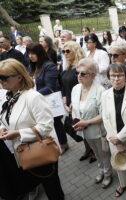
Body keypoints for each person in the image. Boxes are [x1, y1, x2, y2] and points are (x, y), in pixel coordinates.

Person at [0, 58, 65, 200]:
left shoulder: (33, 97)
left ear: (19, 77)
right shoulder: (9, 97)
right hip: (25, 152)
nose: (1, 81)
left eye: (4, 77)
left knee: (52, 188)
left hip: (42, 150)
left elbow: (46, 125)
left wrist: (18, 133)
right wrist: (2, 128)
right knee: (40, 184)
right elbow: (7, 119)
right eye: (0, 77)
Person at [102, 63, 126, 199]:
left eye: (120, 75)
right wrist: (115, 139)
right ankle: (123, 183)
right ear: (108, 77)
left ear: (125, 76)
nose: (116, 79)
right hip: (113, 137)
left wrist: (120, 137)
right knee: (118, 163)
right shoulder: (105, 94)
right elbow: (105, 118)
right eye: (113, 75)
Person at [71, 58, 112, 188]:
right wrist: (76, 122)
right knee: (95, 153)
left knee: (104, 154)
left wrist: (86, 122)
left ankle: (108, 174)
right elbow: (74, 108)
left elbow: (104, 114)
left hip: (99, 131)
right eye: (77, 73)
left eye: (83, 74)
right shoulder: (76, 89)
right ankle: (101, 170)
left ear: (93, 75)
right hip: (85, 131)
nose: (79, 76)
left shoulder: (100, 91)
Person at [27, 43, 69, 154]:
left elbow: (50, 87)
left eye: (33, 53)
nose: (30, 56)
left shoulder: (49, 65)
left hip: (49, 99)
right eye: (29, 53)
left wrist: (32, 95)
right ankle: (54, 143)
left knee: (55, 122)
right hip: (39, 100)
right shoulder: (33, 66)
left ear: (39, 53)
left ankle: (63, 143)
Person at [60, 41, 96, 162]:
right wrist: (65, 103)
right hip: (70, 102)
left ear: (76, 51)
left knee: (87, 126)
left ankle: (95, 151)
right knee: (78, 127)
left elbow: (86, 85)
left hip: (82, 101)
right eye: (63, 51)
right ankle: (87, 149)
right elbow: (63, 86)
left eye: (68, 51)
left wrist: (76, 102)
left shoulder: (81, 67)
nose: (65, 53)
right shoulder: (66, 67)